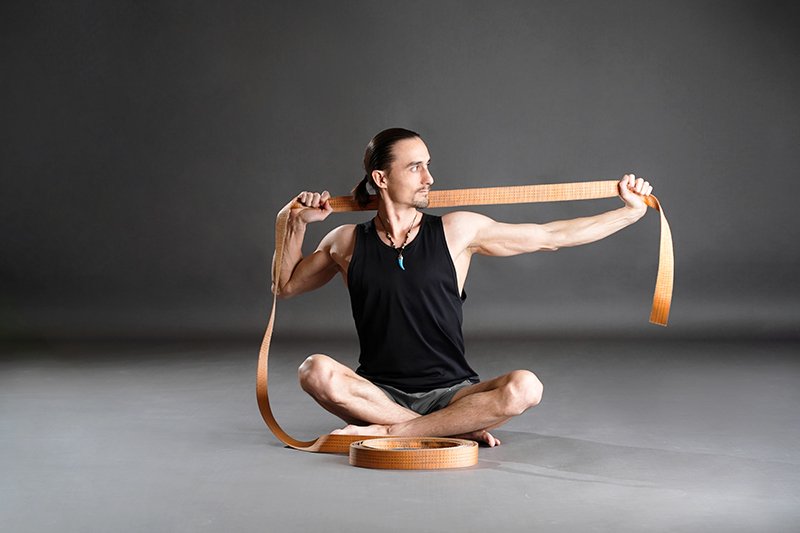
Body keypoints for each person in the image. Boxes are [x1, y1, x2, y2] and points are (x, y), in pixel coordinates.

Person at [272, 128, 653, 447]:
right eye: (416, 167)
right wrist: (295, 222)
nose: (429, 178)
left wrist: (629, 213)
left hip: (452, 394)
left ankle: (392, 431)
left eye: (428, 165)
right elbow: (285, 286)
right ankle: (447, 429)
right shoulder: (346, 241)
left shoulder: (457, 231)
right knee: (314, 371)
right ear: (381, 179)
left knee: (526, 387)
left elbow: (550, 236)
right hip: (376, 394)